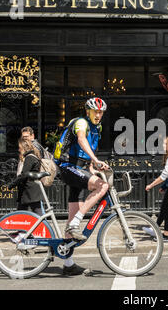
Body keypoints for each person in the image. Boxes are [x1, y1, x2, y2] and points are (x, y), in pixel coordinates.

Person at [55, 97, 110, 275]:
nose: (98, 115)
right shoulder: (81, 123)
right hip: (67, 167)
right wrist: (95, 160)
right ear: (88, 111)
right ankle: (78, 221)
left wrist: (92, 168)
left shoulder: (97, 128)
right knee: (102, 187)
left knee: (71, 220)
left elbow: (87, 155)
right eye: (96, 111)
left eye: (101, 112)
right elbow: (81, 140)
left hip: (78, 168)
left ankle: (68, 264)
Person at [9, 138, 45, 216]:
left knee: (34, 213)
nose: (18, 150)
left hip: (30, 191)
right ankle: (38, 227)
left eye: (19, 147)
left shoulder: (29, 158)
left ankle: (42, 227)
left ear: (24, 147)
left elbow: (24, 174)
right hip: (31, 191)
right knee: (26, 213)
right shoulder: (33, 156)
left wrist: (12, 184)